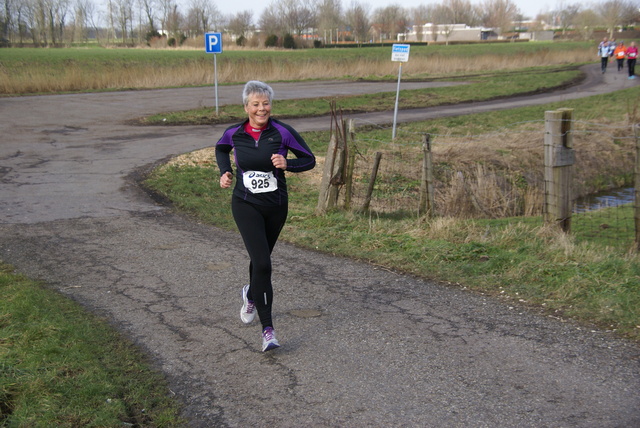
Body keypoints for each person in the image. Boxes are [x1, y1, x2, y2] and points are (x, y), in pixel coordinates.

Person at [215, 80, 316, 352]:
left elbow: (309, 159)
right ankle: (268, 331)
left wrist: (288, 164)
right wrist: (225, 172)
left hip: (275, 206)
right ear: (246, 107)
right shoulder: (235, 133)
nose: (262, 109)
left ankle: (250, 293)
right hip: (245, 203)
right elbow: (221, 148)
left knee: (260, 263)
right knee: (263, 263)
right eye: (256, 104)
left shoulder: (282, 132)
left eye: (266, 103)